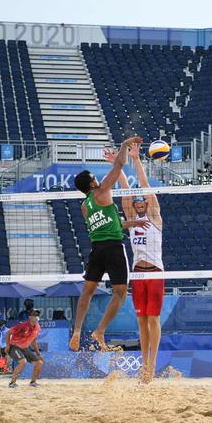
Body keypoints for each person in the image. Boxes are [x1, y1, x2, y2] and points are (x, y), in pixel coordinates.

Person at [69, 135, 141, 351]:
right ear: (92, 182)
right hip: (113, 248)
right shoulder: (102, 191)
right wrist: (124, 145)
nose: (97, 179)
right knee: (120, 294)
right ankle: (99, 331)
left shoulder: (84, 206)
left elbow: (112, 223)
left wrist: (132, 223)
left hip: (96, 249)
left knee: (87, 292)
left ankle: (77, 331)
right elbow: (120, 164)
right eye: (94, 178)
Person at [105, 141, 162, 383]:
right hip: (137, 273)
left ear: (146, 204)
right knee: (142, 320)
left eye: (142, 202)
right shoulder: (131, 218)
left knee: (153, 320)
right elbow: (126, 191)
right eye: (136, 202)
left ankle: (152, 365)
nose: (138, 204)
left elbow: (145, 186)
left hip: (156, 272)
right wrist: (117, 165)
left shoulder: (155, 218)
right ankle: (144, 368)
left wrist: (137, 159)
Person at [5, 309, 43, 388]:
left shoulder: (38, 327)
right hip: (14, 347)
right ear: (29, 317)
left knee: (39, 363)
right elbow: (8, 332)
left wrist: (38, 353)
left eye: (37, 315)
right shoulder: (23, 325)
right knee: (23, 362)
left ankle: (33, 382)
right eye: (34, 315)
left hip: (24, 348)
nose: (36, 317)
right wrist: (8, 346)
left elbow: (33, 341)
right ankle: (12, 383)